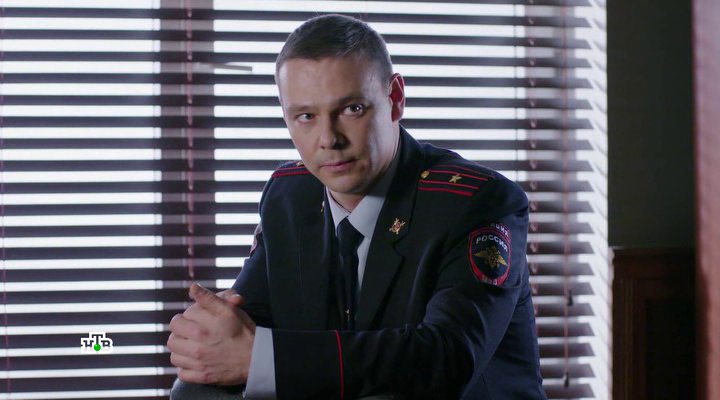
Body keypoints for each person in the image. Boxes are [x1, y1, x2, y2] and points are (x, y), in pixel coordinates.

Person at [167, 14, 546, 400]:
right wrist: (208, 337)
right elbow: (246, 328)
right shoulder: (290, 197)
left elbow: (446, 358)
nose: (328, 139)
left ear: (395, 99)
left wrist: (263, 359)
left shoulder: (475, 203)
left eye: (351, 109)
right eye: (306, 116)